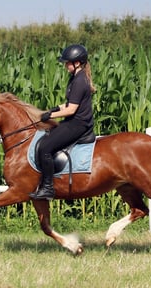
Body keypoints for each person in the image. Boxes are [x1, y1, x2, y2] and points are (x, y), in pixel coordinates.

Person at [29, 44, 96, 200]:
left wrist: (51, 117)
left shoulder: (80, 81)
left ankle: (48, 188)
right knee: (46, 138)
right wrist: (54, 109)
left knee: (45, 147)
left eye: (67, 63)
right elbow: (70, 103)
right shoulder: (75, 78)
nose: (65, 66)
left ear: (77, 63)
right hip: (73, 121)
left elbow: (71, 110)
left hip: (78, 124)